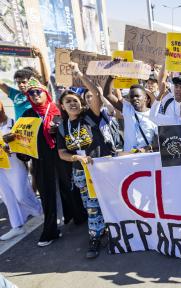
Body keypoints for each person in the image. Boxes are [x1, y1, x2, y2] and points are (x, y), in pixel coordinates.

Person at [3, 78, 87, 246]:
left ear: (45, 93)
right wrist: (11, 142)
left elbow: (73, 128)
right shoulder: (27, 115)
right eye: (30, 93)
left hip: (62, 155)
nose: (34, 95)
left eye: (37, 92)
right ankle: (50, 231)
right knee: (47, 195)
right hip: (41, 159)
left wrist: (58, 132)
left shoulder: (58, 110)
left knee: (69, 188)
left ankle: (78, 217)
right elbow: (22, 140)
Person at [56, 63, 116, 259]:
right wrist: (75, 157)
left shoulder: (90, 116)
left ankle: (115, 232)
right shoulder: (63, 127)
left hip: (103, 169)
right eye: (68, 102)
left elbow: (96, 95)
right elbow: (62, 153)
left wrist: (79, 74)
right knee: (92, 207)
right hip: (82, 173)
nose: (72, 104)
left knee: (111, 201)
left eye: (74, 100)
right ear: (63, 107)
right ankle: (95, 238)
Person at [0, 101, 42, 241]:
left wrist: (11, 146)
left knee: (20, 195)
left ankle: (38, 209)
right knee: (7, 197)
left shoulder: (15, 124)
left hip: (15, 164)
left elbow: (26, 145)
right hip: (1, 168)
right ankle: (17, 226)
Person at [104, 77, 158, 152]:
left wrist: (146, 148)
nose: (134, 98)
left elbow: (159, 140)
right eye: (132, 97)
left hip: (147, 157)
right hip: (128, 157)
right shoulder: (127, 109)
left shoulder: (154, 115)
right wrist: (111, 77)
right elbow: (108, 95)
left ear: (145, 98)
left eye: (137, 96)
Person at [0, 47, 49, 119]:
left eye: (24, 82)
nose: (21, 85)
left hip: (37, 129)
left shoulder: (38, 93)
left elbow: (45, 79)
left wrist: (41, 57)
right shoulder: (15, 94)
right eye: (18, 82)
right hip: (19, 129)